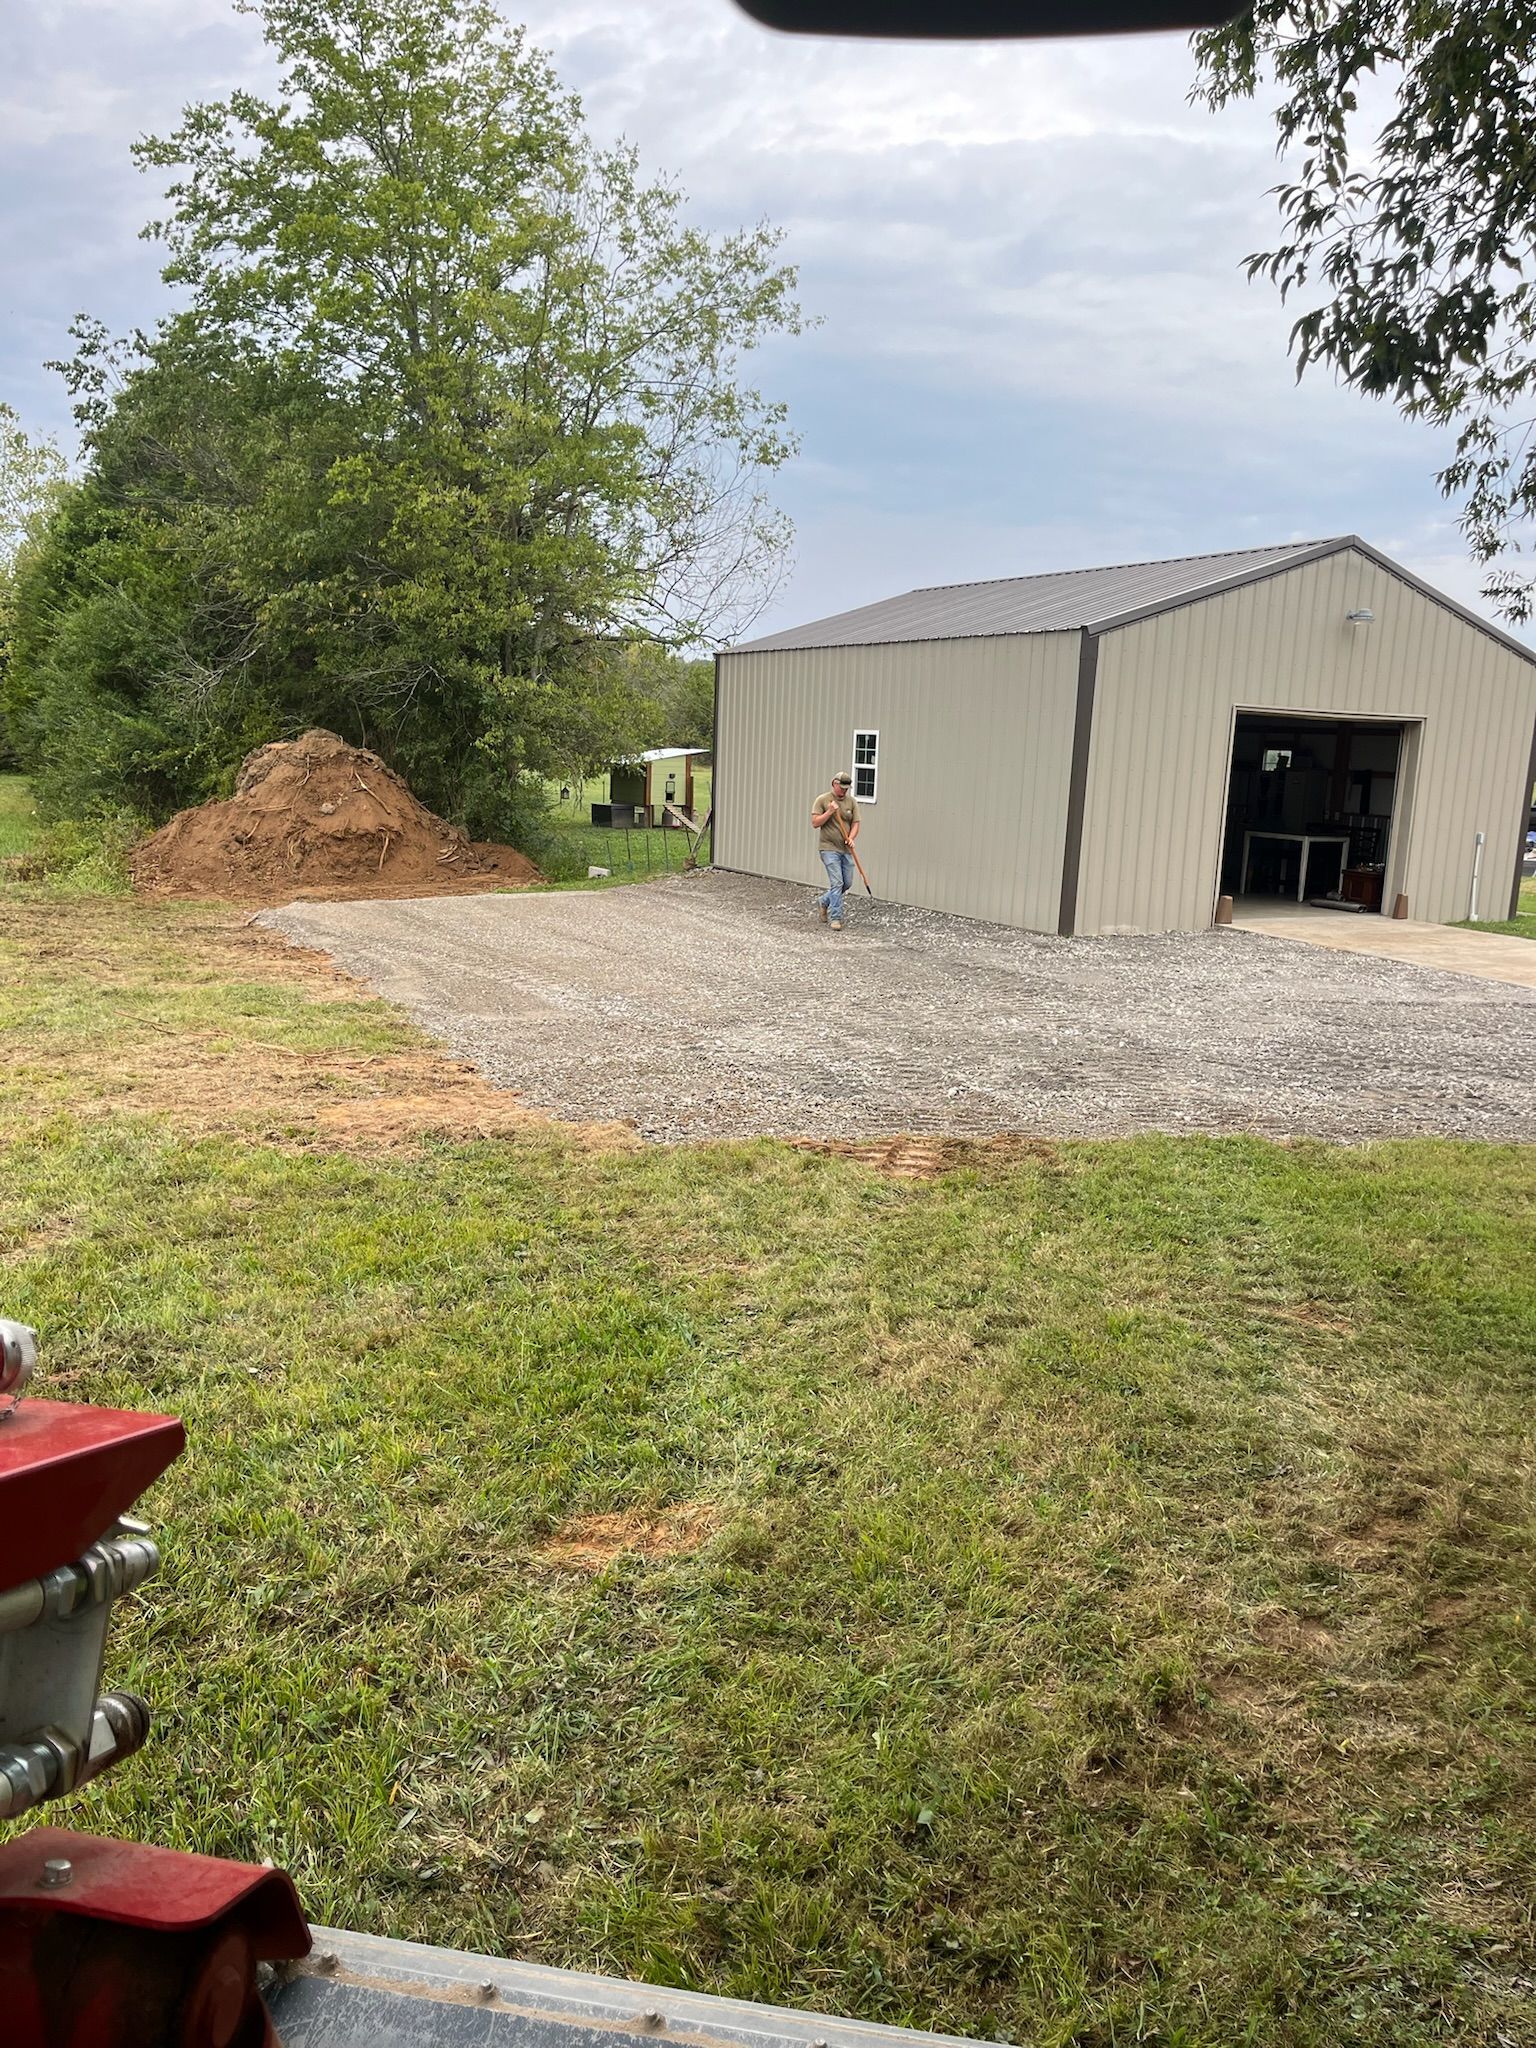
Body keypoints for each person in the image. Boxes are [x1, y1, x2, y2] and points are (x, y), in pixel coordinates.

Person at [811, 773, 860, 929]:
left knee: (847, 883)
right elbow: (815, 823)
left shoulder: (851, 802)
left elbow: (856, 823)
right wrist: (830, 812)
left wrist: (851, 838)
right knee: (837, 882)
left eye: (846, 789)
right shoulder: (822, 800)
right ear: (834, 783)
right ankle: (836, 918)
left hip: (845, 849)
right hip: (828, 848)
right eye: (841, 788)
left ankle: (824, 901)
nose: (844, 791)